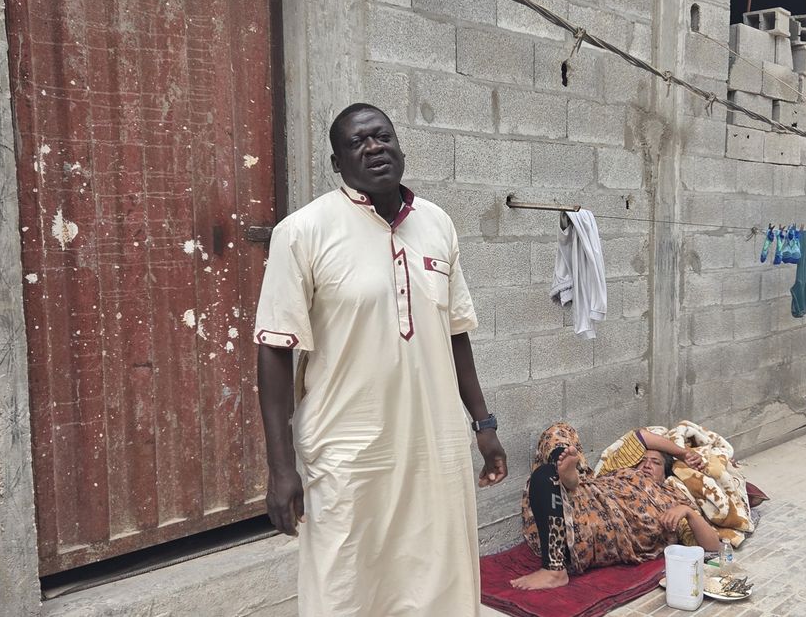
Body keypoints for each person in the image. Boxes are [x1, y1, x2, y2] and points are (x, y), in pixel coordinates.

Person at [254, 103, 508, 616]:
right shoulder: (302, 232)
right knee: (345, 578)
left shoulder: (437, 224)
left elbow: (456, 332)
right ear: (336, 162)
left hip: (434, 442)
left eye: (383, 136)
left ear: (401, 148)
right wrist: (280, 467)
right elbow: (274, 350)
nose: (374, 147)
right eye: (357, 142)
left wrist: (483, 424)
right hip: (347, 444)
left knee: (439, 573)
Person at [511, 423, 719, 590]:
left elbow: (713, 548)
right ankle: (568, 477)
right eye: (642, 461)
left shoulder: (672, 497)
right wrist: (682, 452)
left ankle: (554, 569)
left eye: (655, 462)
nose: (647, 464)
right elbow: (641, 436)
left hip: (601, 528)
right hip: (586, 494)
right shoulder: (619, 470)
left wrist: (688, 512)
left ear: (665, 475)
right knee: (558, 433)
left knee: (545, 477)